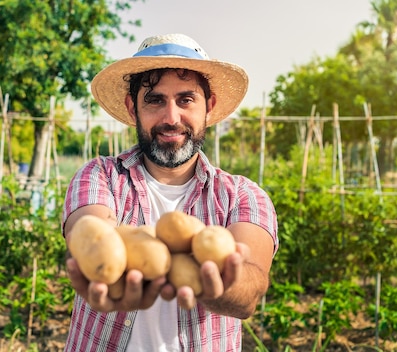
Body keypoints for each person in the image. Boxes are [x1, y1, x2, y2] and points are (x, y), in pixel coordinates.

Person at [62, 33, 279, 352]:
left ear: (209, 107)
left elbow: (250, 288)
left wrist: (218, 283)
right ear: (132, 108)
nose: (171, 118)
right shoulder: (101, 176)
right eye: (155, 100)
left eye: (186, 99)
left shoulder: (242, 195)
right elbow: (90, 233)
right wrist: (102, 270)